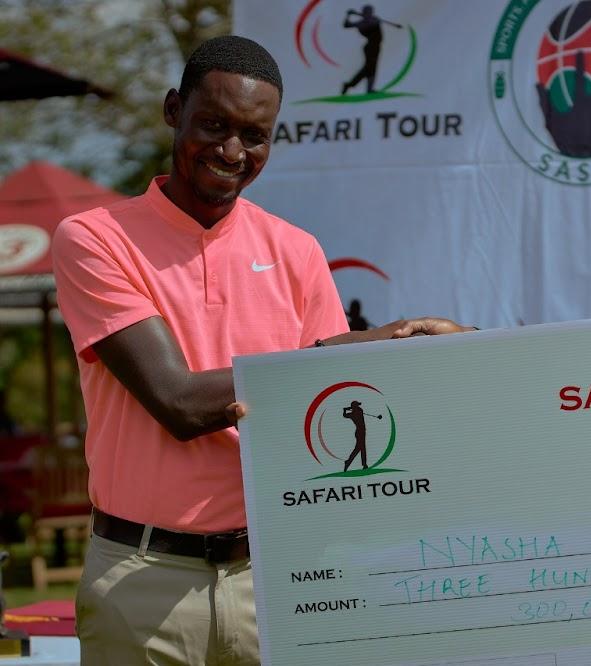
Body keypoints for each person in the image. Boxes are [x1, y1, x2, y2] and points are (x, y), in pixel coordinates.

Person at [52, 35, 471, 665]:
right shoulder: (95, 239)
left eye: (254, 136)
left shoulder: (296, 250)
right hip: (142, 580)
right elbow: (178, 403)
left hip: (277, 575)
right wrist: (356, 352)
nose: (231, 151)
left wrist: (410, 351)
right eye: (214, 125)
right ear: (173, 110)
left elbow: (322, 400)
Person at [341, 4, 402, 95]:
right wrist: (348, 15)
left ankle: (360, 87)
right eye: (369, 11)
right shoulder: (363, 23)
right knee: (369, 68)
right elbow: (346, 25)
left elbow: (373, 21)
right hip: (371, 47)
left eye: (371, 11)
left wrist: (352, 15)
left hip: (375, 47)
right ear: (365, 12)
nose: (371, 13)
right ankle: (351, 85)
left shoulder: (372, 20)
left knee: (370, 68)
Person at [342, 400, 368, 470]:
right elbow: (345, 415)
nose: (358, 406)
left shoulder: (353, 413)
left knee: (360, 448)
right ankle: (362, 464)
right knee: (360, 448)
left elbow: (344, 415)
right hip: (360, 432)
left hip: (360, 432)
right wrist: (350, 408)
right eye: (357, 405)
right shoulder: (357, 412)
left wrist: (345, 410)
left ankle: (350, 462)